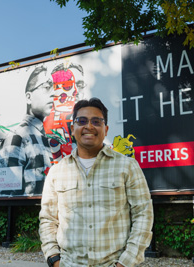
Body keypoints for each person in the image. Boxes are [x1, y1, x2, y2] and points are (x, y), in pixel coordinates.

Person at [39, 98, 154, 267]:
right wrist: (53, 258)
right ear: (73, 129)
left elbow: (143, 214)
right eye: (82, 121)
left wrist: (125, 263)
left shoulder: (127, 166)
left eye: (96, 121)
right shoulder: (57, 171)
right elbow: (48, 219)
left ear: (105, 129)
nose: (89, 127)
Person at [0, 65, 54, 196]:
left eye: (54, 88)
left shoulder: (47, 138)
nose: (52, 93)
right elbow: (6, 194)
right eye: (46, 87)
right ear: (28, 97)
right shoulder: (17, 137)